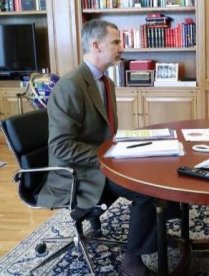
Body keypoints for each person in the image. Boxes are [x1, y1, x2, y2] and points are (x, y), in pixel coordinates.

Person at [37, 19, 178, 275]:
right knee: (145, 189)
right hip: (77, 173)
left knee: (160, 168)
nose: (120, 47)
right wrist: (109, 156)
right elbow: (60, 148)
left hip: (103, 161)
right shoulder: (70, 87)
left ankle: (156, 232)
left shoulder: (106, 82)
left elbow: (105, 133)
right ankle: (132, 262)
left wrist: (128, 146)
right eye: (115, 42)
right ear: (96, 45)